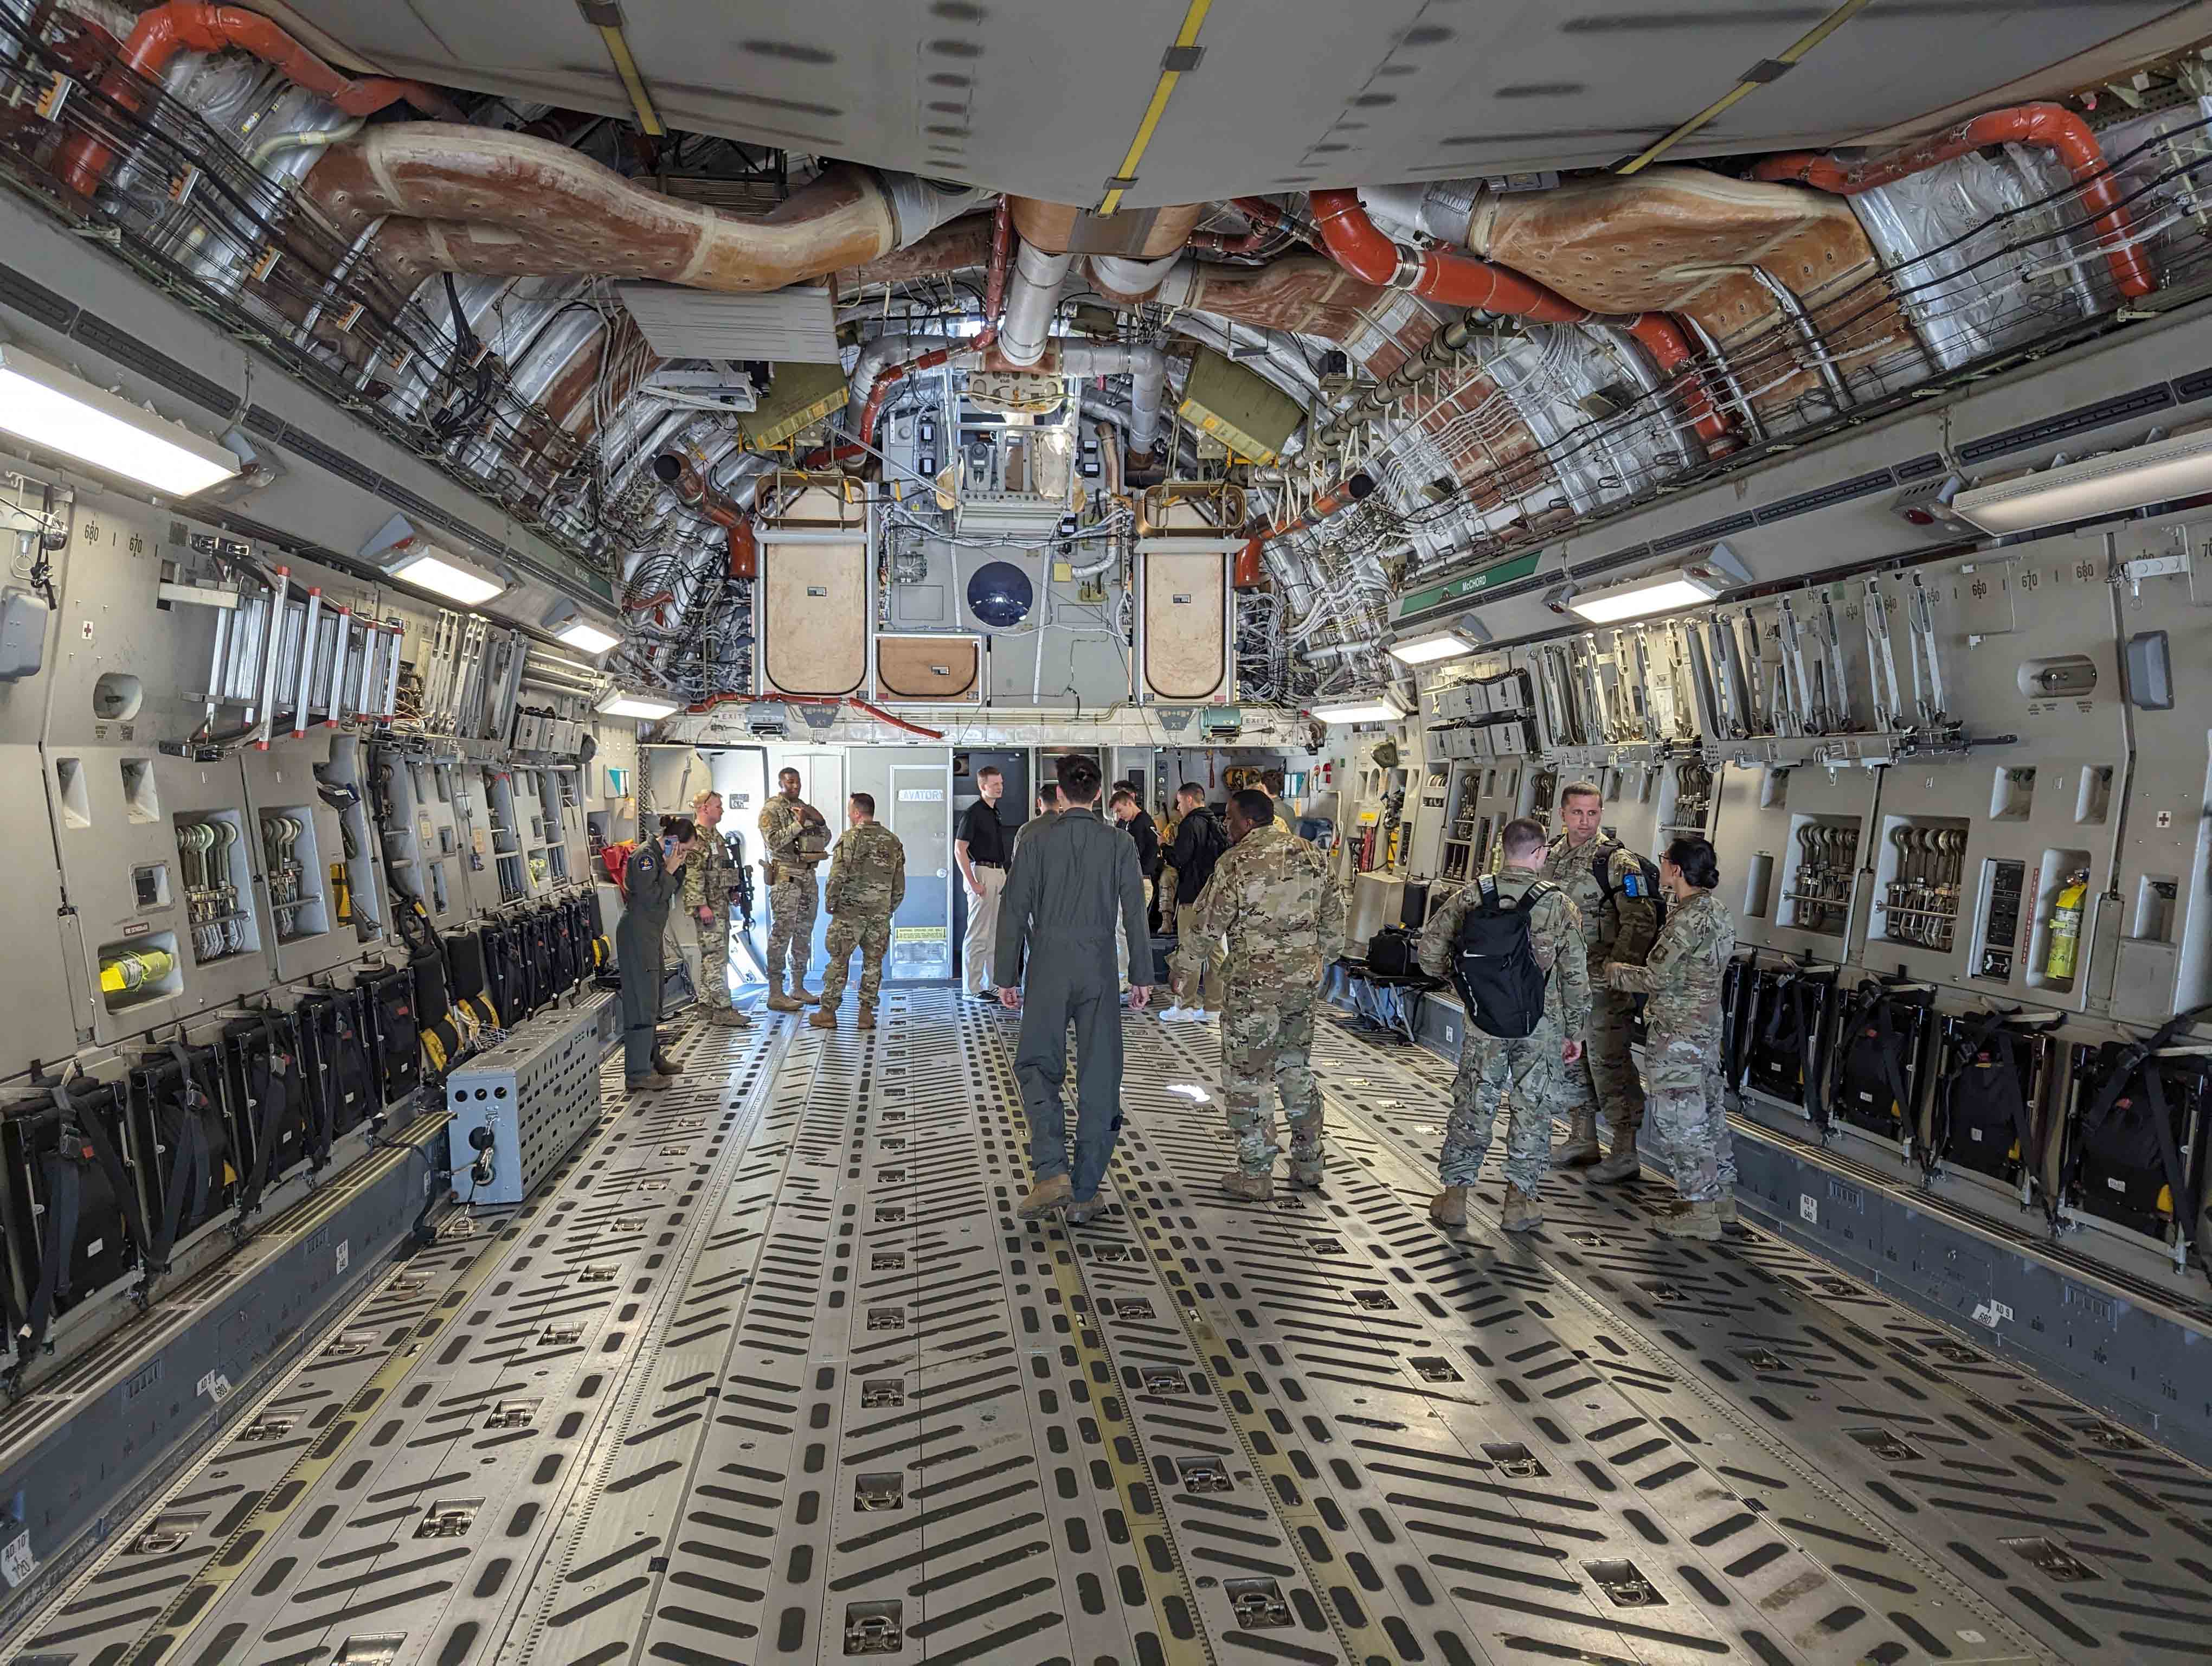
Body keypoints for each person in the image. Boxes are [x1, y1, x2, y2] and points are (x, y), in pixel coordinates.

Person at [996, 754, 1151, 1225]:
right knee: (1101, 1073)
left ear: (1059, 794)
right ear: (1100, 795)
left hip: (1047, 966)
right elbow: (1135, 912)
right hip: (1100, 968)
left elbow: (1013, 909)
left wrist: (1006, 974)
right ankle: (1085, 1192)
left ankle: (1051, 1172)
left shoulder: (1035, 841)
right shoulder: (1119, 844)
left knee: (1038, 1064)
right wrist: (1142, 974)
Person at [1416, 817, 1590, 1233]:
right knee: (1533, 1109)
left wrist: (1468, 988)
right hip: (1540, 1026)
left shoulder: (1471, 896)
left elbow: (1428, 954)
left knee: (1475, 1102)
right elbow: (1575, 976)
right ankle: (1519, 1203)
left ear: (1503, 849)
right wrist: (1576, 1032)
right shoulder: (1559, 904)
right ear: (1540, 852)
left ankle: (1455, 1198)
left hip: (1485, 1022)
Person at [1186, 787, 1345, 1200]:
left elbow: (1207, 923)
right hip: (1301, 987)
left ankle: (1256, 1174)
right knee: (1295, 1068)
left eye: (1230, 819)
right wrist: (1317, 960)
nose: (1227, 826)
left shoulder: (1236, 862)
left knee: (1248, 1076)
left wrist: (1184, 968)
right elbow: (1334, 921)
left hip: (1253, 989)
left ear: (1249, 821)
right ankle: (1309, 1164)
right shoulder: (1312, 855)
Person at [1604, 837, 1739, 1240]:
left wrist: (1613, 971)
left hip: (1678, 1036)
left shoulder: (1685, 919)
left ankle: (1698, 1210)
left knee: (1681, 1120)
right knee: (1710, 1114)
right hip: (1705, 1031)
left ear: (1677, 870)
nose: (1661, 865)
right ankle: (1721, 1200)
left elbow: (1655, 977)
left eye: (1665, 861)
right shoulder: (1718, 912)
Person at [1540, 782, 1658, 1175]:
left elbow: (1640, 918)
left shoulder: (1616, 861)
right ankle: (1583, 1138)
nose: (1585, 821)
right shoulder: (1550, 857)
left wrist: (1617, 969)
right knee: (1571, 1060)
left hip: (1601, 985)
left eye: (1593, 813)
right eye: (1578, 813)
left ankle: (1625, 1152)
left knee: (1609, 1062)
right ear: (1563, 814)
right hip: (1562, 982)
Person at [812, 792, 906, 1034]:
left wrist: (830, 903)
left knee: (839, 961)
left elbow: (837, 876)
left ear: (856, 813)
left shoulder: (849, 839)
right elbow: (899, 884)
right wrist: (887, 908)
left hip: (849, 914)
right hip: (879, 915)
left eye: (848, 809)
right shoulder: (892, 841)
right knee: (873, 963)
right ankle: (866, 1014)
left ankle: (828, 1012)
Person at [617, 815, 697, 1091]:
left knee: (653, 997)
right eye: (684, 850)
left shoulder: (661, 860)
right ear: (672, 842)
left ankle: (652, 1059)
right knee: (641, 1001)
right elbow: (651, 896)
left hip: (650, 934)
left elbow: (672, 888)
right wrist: (671, 869)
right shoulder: (646, 858)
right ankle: (638, 1072)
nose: (684, 856)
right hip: (637, 933)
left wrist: (676, 867)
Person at [674, 789, 750, 1028]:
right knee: (716, 959)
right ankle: (724, 1010)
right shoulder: (697, 839)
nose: (722, 810)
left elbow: (721, 868)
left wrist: (733, 890)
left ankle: (706, 1006)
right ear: (704, 808)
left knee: (714, 957)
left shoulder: (715, 837)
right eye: (718, 806)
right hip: (708, 909)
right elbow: (693, 875)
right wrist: (701, 905)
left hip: (720, 904)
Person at [758, 767, 831, 1012]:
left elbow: (825, 838)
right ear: (781, 783)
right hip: (786, 877)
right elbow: (773, 841)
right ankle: (775, 993)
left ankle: (797, 986)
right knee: (781, 934)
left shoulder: (803, 806)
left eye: (798, 782)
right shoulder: (771, 810)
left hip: (808, 876)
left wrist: (819, 821)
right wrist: (798, 825)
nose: (795, 786)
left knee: (803, 933)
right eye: (790, 782)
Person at [1160, 783, 1227, 1021]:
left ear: (1189, 800)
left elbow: (1180, 859)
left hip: (1193, 898)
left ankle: (1184, 1006)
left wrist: (1164, 848)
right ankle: (1213, 1007)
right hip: (1217, 899)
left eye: (1179, 802)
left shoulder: (1190, 825)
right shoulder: (1216, 823)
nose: (1178, 807)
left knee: (1189, 951)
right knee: (1216, 953)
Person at [956, 766, 1009, 1000]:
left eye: (1001, 783)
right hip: (982, 873)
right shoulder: (973, 813)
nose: (999, 787)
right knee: (978, 934)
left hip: (998, 873)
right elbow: (960, 849)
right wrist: (973, 882)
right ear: (982, 786)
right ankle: (972, 988)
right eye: (994, 784)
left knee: (993, 934)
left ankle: (990, 984)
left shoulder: (994, 812)